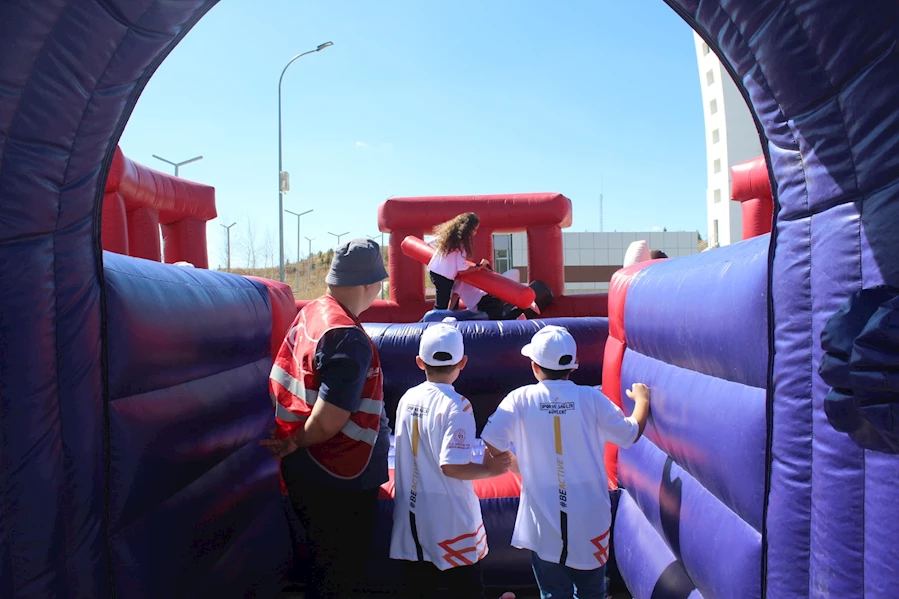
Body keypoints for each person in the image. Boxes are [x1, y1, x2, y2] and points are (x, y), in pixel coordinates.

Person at [261, 238, 391, 599]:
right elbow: (329, 419)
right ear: (370, 285)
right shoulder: (346, 337)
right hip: (338, 472)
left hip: (309, 468)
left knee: (324, 564)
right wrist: (295, 441)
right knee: (340, 574)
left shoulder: (314, 311)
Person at [480, 326, 651, 599]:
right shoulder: (592, 399)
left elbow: (492, 440)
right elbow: (630, 434)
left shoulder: (520, 398)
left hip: (543, 520)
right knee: (592, 592)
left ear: (535, 366)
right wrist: (642, 401)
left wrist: (517, 465)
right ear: (574, 364)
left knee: (553, 592)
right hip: (590, 517)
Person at [390, 322, 513, 599]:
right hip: (451, 517)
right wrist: (490, 469)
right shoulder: (458, 405)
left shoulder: (408, 398)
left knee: (418, 588)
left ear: (419, 362)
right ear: (463, 362)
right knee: (467, 588)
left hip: (412, 514)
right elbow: (452, 466)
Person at [428, 212, 489, 310]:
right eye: (474, 230)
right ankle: (431, 320)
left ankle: (447, 314)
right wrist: (479, 266)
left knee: (448, 300)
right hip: (444, 277)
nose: (475, 233)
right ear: (467, 230)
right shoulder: (461, 246)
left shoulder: (448, 238)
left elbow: (430, 243)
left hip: (434, 272)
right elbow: (462, 270)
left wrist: (444, 256)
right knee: (441, 306)